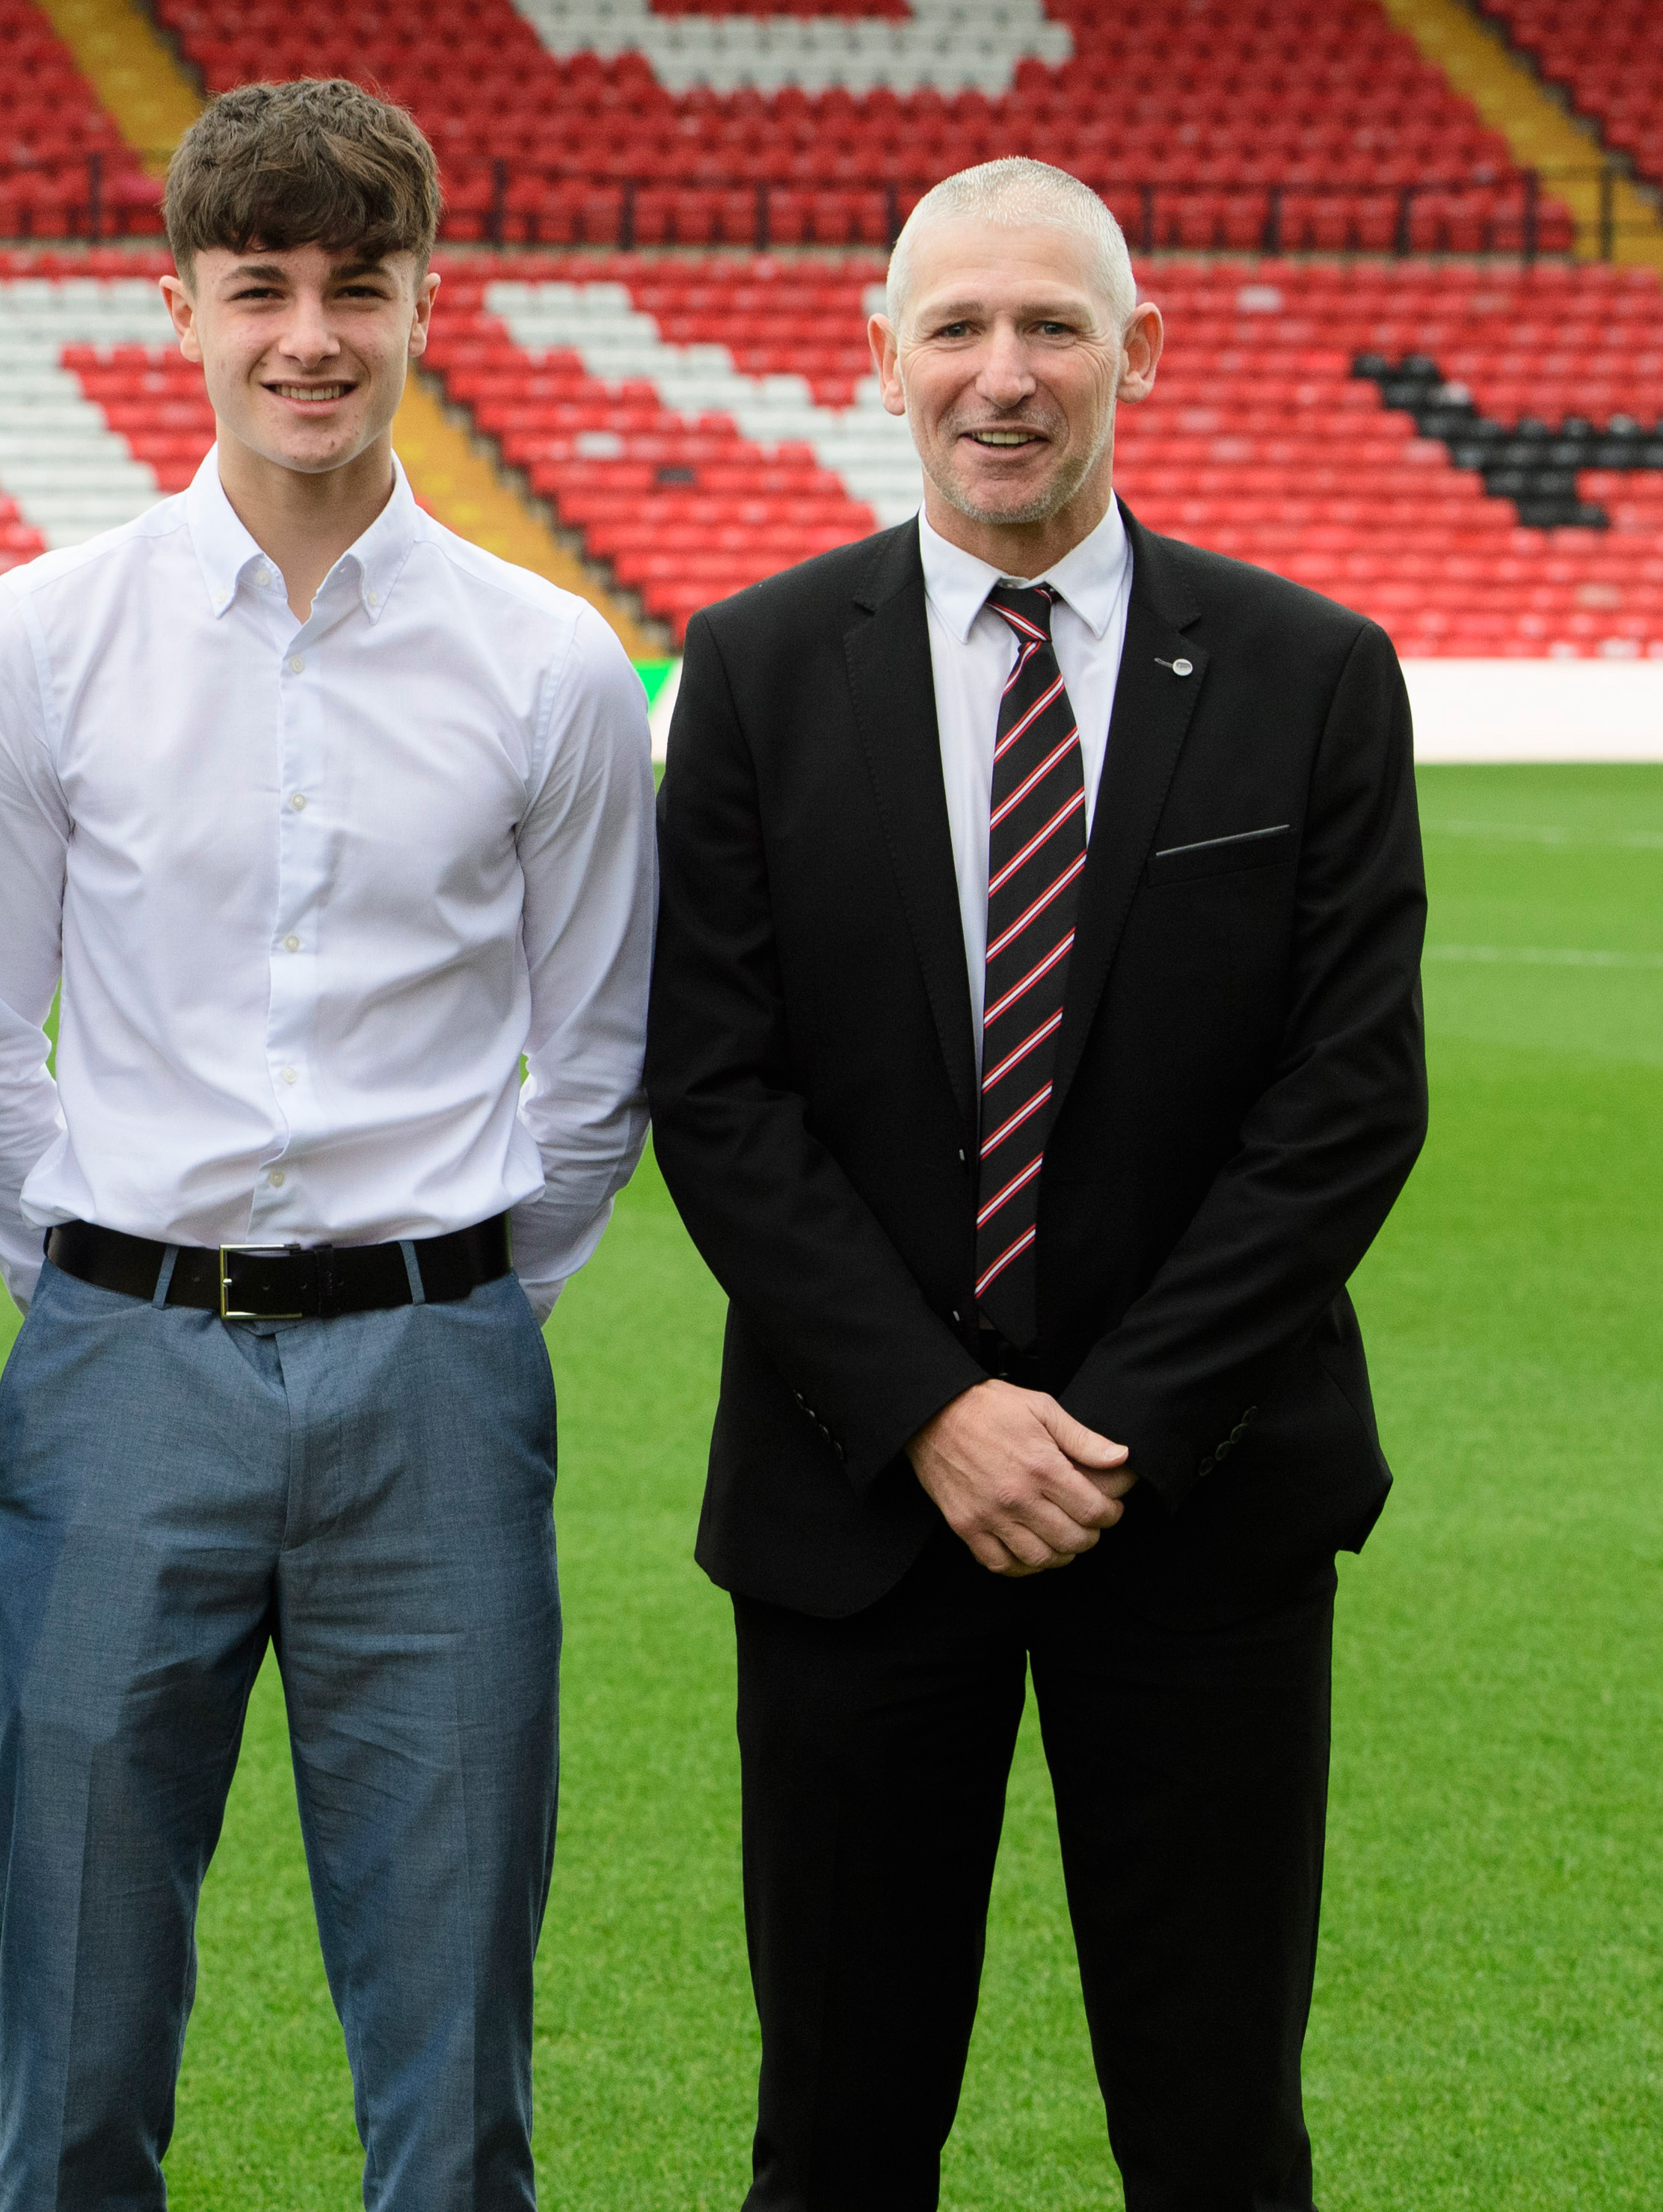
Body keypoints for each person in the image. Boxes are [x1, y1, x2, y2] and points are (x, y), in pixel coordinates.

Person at [646, 157, 1426, 2208]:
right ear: (878, 355)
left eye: (1051, 327)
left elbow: (1344, 1103)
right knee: (833, 2133)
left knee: (1213, 2132)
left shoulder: (1308, 671)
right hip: (853, 1508)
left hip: (1198, 1508)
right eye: (959, 329)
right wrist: (930, 1412)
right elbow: (716, 1096)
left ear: (1133, 354)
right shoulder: (748, 671)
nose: (1003, 376)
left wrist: (1112, 1428)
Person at [0, 79, 655, 2212]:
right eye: (259, 289)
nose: (308, 336)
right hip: (120, 1356)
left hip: (434, 1368)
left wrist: (454, 1301)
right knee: (74, 1992)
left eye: (357, 287)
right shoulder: (43, 637)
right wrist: (91, 1292)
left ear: (426, 302)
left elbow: (592, 1061)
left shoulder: (544, 663)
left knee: (449, 2031)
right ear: (179, 305)